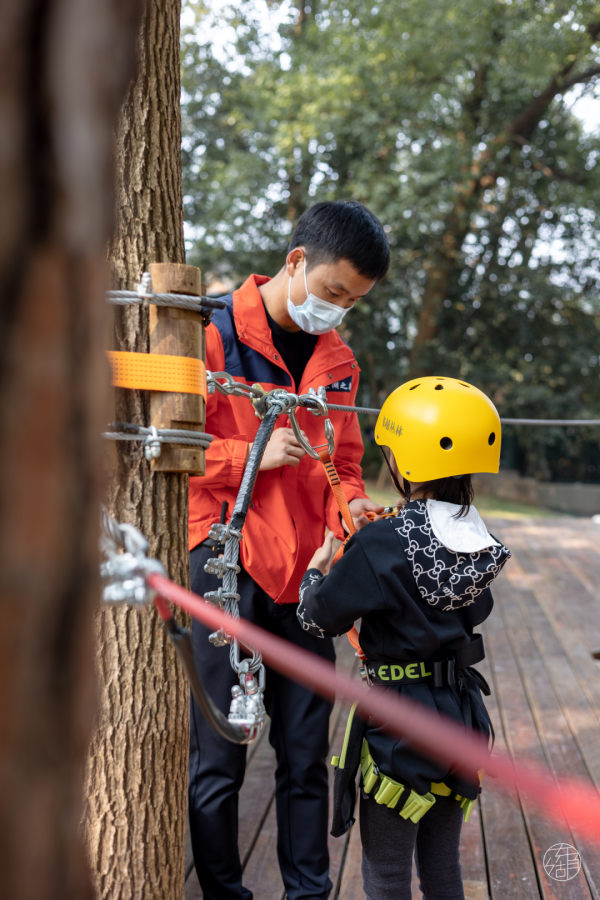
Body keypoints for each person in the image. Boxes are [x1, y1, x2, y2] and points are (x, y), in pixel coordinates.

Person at [188, 201, 390, 900]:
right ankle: (222, 893)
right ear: (297, 261)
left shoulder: (339, 361)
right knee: (220, 757)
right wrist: (250, 455)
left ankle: (309, 892)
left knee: (306, 755)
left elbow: (347, 460)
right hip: (225, 568)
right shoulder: (208, 332)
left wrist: (352, 505)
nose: (338, 311)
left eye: (353, 302)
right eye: (335, 293)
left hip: (305, 584)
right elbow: (165, 450)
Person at [297, 376, 511, 900]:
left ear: (402, 461)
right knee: (442, 871)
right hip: (460, 717)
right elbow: (466, 602)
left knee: (387, 874)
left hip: (399, 728)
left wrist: (317, 573)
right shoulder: (479, 539)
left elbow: (319, 618)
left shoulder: (381, 541)